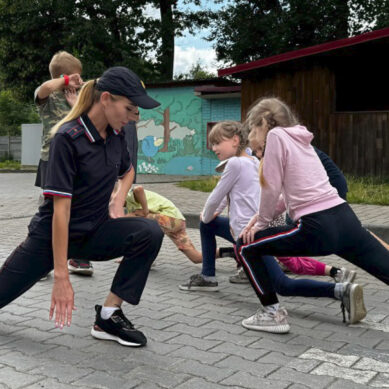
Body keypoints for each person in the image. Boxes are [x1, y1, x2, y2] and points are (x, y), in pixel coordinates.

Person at [0, 67, 164, 347]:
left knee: (149, 231)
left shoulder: (116, 136)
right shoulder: (68, 138)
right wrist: (61, 276)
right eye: (130, 108)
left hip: (95, 231)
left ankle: (109, 316)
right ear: (106, 99)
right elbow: (61, 212)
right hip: (50, 238)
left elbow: (128, 170)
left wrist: (118, 199)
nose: (132, 117)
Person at [238, 97, 389, 333]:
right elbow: (285, 197)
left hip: (317, 225)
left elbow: (271, 188)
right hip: (345, 219)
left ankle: (272, 314)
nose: (251, 138)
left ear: (263, 122)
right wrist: (258, 218)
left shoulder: (276, 136)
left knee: (245, 247)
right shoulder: (301, 141)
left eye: (252, 130)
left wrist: (262, 225)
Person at [178, 121, 353, 311]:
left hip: (249, 236)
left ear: (235, 140)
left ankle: (339, 290)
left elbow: (215, 197)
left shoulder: (235, 163)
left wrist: (205, 216)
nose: (213, 148)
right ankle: (208, 276)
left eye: (217, 143)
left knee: (283, 285)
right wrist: (210, 215)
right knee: (209, 223)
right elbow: (225, 195)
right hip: (246, 230)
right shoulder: (253, 161)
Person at [34, 50, 93, 276]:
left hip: (77, 160)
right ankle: (39, 261)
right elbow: (44, 89)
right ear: (64, 76)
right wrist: (66, 81)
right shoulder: (49, 97)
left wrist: (77, 102)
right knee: (49, 211)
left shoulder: (79, 98)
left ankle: (78, 258)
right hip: (51, 158)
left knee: (79, 208)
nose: (78, 81)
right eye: (75, 77)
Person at [123, 185, 202, 263]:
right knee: (196, 258)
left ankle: (141, 258)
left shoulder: (129, 195)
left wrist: (145, 211)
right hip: (178, 222)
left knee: (130, 219)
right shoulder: (130, 207)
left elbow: (139, 189)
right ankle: (212, 253)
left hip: (170, 219)